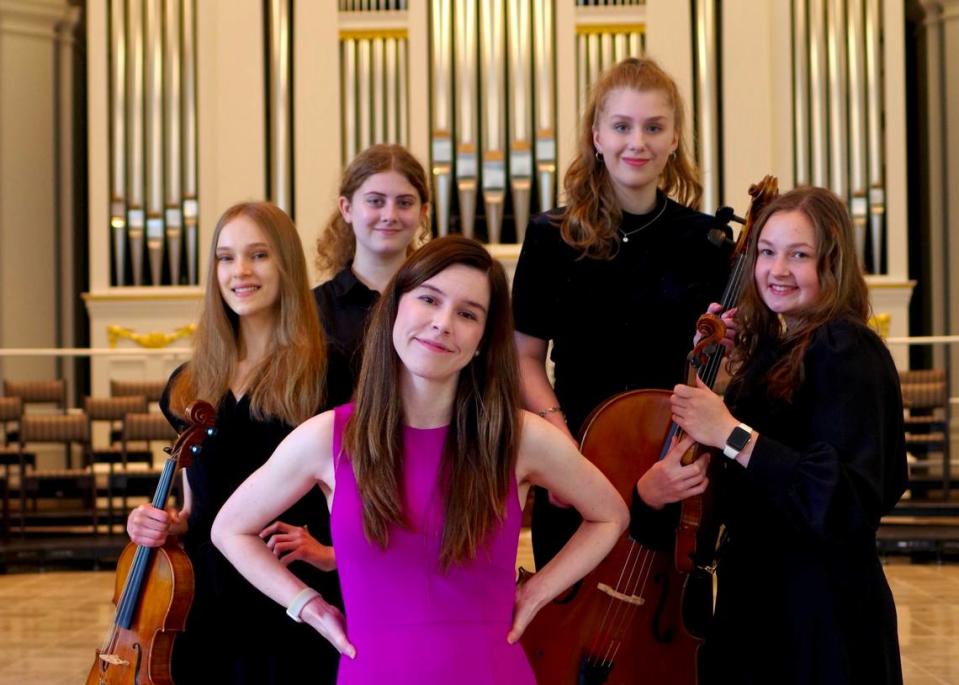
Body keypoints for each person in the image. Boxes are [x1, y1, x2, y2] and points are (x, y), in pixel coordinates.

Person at [211, 235, 630, 684]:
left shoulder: (518, 436)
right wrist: (306, 605)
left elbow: (610, 514)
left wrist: (539, 591)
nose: (442, 323)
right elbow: (229, 529)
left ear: (483, 341)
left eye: (468, 314)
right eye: (428, 299)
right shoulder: (326, 437)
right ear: (395, 307)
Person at [664, 186, 907, 684]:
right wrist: (723, 372)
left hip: (818, 614)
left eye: (799, 255)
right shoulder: (785, 346)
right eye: (767, 252)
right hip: (763, 598)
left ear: (832, 264)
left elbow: (842, 498)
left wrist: (730, 432)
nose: (777, 270)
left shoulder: (845, 348)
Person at [511, 56, 731, 567]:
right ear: (597, 135)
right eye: (622, 126)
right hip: (577, 450)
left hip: (669, 456)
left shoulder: (708, 242)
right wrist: (560, 447)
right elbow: (523, 357)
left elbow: (717, 369)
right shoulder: (551, 236)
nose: (638, 142)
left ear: (674, 138)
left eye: (654, 127)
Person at [126, 201, 341, 685]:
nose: (240, 271)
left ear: (286, 263)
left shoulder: (331, 373)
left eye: (258, 255)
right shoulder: (189, 383)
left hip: (293, 596)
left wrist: (328, 552)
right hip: (206, 600)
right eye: (225, 258)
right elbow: (193, 507)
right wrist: (161, 523)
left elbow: (365, 502)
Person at [313, 143, 431, 406]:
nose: (389, 215)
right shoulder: (313, 309)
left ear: (422, 212)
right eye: (375, 201)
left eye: (404, 203)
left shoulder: (439, 302)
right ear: (347, 208)